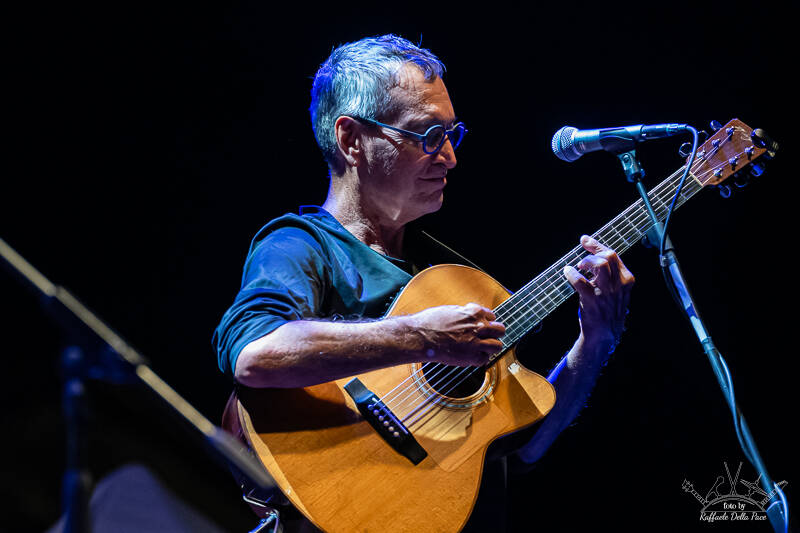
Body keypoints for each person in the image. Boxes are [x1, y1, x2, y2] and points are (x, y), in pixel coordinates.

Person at [213, 34, 634, 532]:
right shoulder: (301, 244)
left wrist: (597, 339)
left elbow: (525, 447)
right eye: (427, 135)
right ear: (352, 140)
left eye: (452, 134)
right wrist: (420, 337)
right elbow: (256, 354)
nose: (450, 157)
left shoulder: (446, 274)